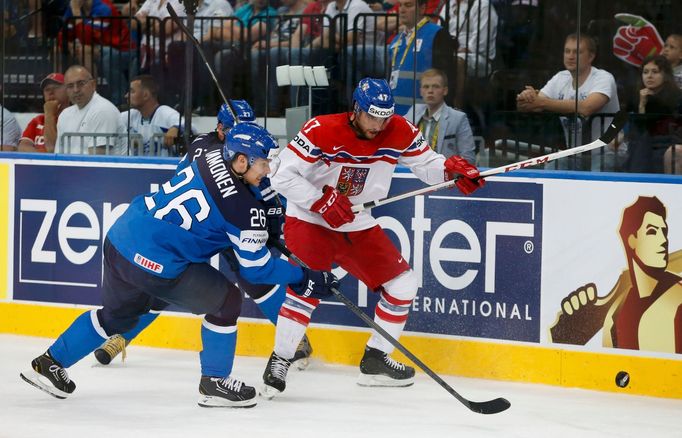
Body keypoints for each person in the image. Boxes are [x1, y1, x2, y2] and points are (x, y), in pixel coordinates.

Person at [20, 122, 339, 408]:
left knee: (117, 316)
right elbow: (256, 269)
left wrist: (255, 226)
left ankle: (50, 362)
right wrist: (303, 276)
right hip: (155, 260)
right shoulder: (244, 212)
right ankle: (214, 382)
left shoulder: (209, 154)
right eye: (263, 162)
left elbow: (222, 202)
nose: (268, 169)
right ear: (241, 161)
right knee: (226, 300)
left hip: (122, 237)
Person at [260, 78, 485, 398]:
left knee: (404, 284)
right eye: (372, 116)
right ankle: (281, 359)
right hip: (309, 219)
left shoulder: (400, 130)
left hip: (355, 222)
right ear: (356, 110)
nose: (378, 125)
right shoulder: (320, 129)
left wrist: (451, 171)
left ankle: (377, 357)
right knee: (305, 291)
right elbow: (280, 175)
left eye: (384, 117)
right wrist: (318, 200)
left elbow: (427, 165)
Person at [93, 101, 313, 369]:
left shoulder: (246, 153)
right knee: (164, 285)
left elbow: (265, 189)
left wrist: (271, 221)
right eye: (233, 129)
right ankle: (123, 335)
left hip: (232, 222)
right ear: (220, 128)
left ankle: (294, 337)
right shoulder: (205, 147)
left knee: (254, 280)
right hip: (202, 227)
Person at [549, 196, 682, 354]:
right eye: (652, 232)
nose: (663, 240)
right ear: (632, 240)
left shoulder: (677, 301)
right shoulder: (614, 316)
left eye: (664, 232)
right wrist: (565, 336)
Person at [516, 33, 620, 171]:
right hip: (574, 154)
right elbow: (527, 105)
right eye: (567, 51)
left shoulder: (603, 78)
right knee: (550, 170)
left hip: (607, 153)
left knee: (596, 176)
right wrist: (527, 96)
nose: (570, 56)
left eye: (577, 52)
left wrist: (541, 102)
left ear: (591, 56)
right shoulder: (560, 77)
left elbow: (586, 108)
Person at [388, 0, 455, 115]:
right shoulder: (395, 41)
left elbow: (447, 79)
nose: (402, 10)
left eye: (408, 5)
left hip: (424, 117)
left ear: (422, 8)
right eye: (400, 5)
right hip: (396, 117)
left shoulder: (437, 34)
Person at [624, 55, 682, 174]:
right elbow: (638, 130)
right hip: (644, 144)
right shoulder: (637, 98)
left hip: (668, 142)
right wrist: (641, 106)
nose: (649, 76)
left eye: (655, 72)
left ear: (665, 75)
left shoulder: (677, 97)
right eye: (645, 72)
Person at [403, 68, 475, 162]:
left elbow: (468, 159)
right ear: (421, 91)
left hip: (445, 174)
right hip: (414, 171)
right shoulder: (413, 111)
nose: (430, 91)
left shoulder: (458, 118)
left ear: (445, 91)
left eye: (436, 86)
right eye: (426, 87)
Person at [57, 65, 123, 155]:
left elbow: (96, 161)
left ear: (93, 85)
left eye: (81, 83)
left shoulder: (103, 110)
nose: (76, 90)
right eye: (70, 86)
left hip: (107, 169)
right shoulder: (65, 114)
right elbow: (58, 155)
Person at [119, 75, 184, 156]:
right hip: (139, 167)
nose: (126, 96)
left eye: (132, 92)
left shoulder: (164, 112)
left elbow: (190, 126)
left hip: (165, 167)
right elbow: (112, 119)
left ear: (145, 95)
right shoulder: (131, 115)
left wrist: (176, 128)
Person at [18, 73, 71, 153]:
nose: (51, 92)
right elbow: (22, 148)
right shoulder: (38, 120)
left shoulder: (73, 119)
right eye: (47, 89)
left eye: (56, 88)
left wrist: (49, 113)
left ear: (68, 91)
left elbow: (52, 149)